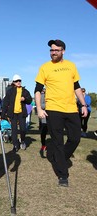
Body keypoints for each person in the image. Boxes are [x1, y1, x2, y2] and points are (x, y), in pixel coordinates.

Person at [34, 39, 88, 187]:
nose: (53, 53)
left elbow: (76, 86)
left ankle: (60, 159)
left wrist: (83, 104)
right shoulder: (45, 67)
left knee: (75, 138)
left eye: (56, 50)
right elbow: (37, 90)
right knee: (57, 142)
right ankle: (63, 175)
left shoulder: (71, 66)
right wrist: (39, 108)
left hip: (71, 109)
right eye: (51, 50)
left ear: (63, 51)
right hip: (53, 109)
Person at [1, 74, 32, 152]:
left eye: (19, 81)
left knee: (23, 129)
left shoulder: (25, 91)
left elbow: (30, 100)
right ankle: (15, 145)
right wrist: (3, 114)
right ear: (13, 82)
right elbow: (5, 103)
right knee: (14, 130)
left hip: (22, 113)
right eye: (16, 81)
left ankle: (23, 141)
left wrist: (24, 99)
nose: (18, 82)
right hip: (13, 114)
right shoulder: (10, 91)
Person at [39, 88, 48, 158]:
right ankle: (43, 145)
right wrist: (48, 105)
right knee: (44, 131)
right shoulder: (42, 95)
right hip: (45, 115)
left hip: (53, 115)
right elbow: (41, 105)